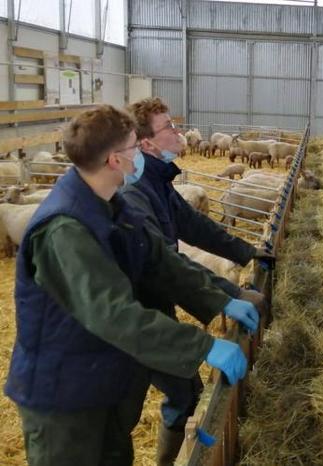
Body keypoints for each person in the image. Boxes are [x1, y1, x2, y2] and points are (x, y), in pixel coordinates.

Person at [4, 105, 260, 466]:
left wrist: (222, 299)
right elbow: (113, 313)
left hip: (100, 379)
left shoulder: (112, 205)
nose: (141, 155)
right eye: (134, 149)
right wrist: (202, 346)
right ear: (114, 160)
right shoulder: (65, 229)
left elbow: (159, 261)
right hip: (62, 397)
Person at [119, 97, 268, 465]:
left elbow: (193, 225)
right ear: (147, 144)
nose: (179, 132)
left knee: (183, 390)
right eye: (169, 127)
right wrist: (228, 294)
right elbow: (163, 264)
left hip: (153, 307)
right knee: (121, 410)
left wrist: (246, 252)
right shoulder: (134, 193)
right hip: (133, 316)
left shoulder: (158, 182)